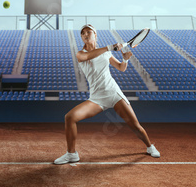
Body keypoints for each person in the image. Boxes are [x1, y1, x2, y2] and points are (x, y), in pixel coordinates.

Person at [54, 24, 160, 165]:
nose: (85, 34)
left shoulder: (106, 52)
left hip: (114, 93)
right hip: (96, 98)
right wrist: (110, 47)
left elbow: (121, 68)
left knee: (134, 125)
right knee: (70, 117)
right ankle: (71, 154)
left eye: (89, 32)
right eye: (83, 33)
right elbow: (89, 56)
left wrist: (125, 59)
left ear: (95, 34)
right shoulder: (80, 54)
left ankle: (149, 146)